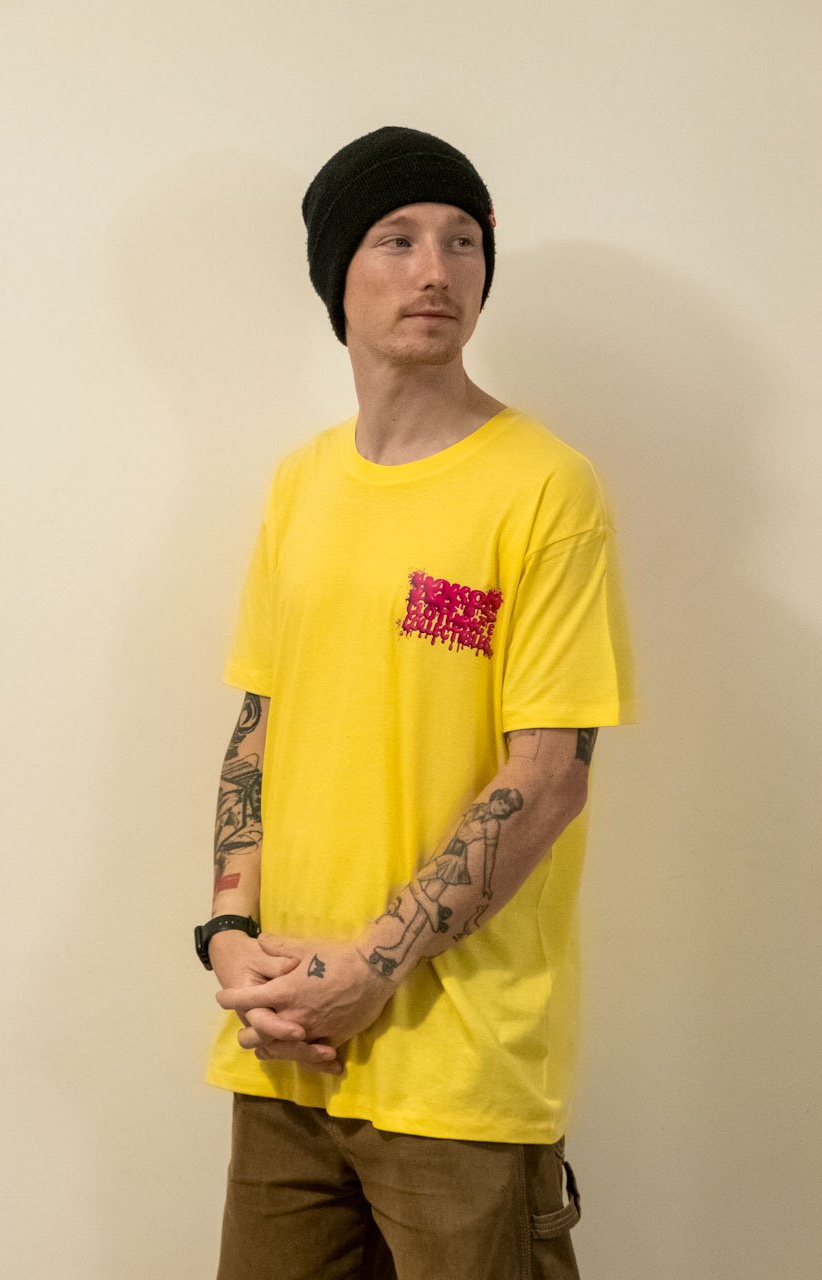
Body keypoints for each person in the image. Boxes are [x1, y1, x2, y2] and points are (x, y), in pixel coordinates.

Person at [194, 125, 635, 1280]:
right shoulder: (301, 483)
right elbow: (258, 726)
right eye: (396, 239)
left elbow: (548, 774)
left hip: (459, 1063)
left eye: (462, 241)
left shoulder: (543, 486)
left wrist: (371, 967)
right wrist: (229, 935)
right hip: (286, 1042)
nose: (436, 269)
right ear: (336, 276)